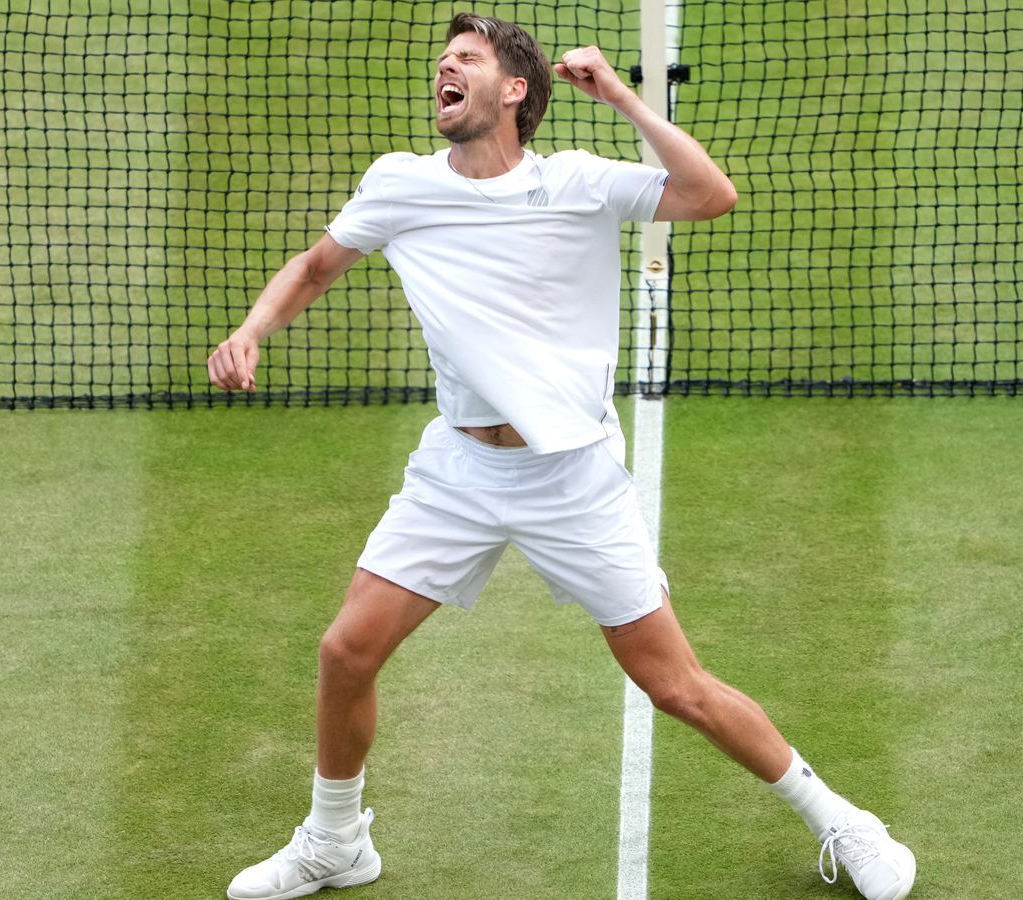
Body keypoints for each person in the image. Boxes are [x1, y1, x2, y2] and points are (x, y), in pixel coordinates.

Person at [208, 13, 916, 900]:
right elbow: (313, 268)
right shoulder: (399, 185)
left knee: (675, 686)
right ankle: (335, 841)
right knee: (347, 651)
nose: (446, 66)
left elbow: (709, 195)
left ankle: (843, 822)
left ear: (514, 91)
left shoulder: (580, 182)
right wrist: (251, 330)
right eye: (445, 59)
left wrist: (620, 94)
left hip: (573, 478)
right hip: (459, 472)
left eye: (467, 59)